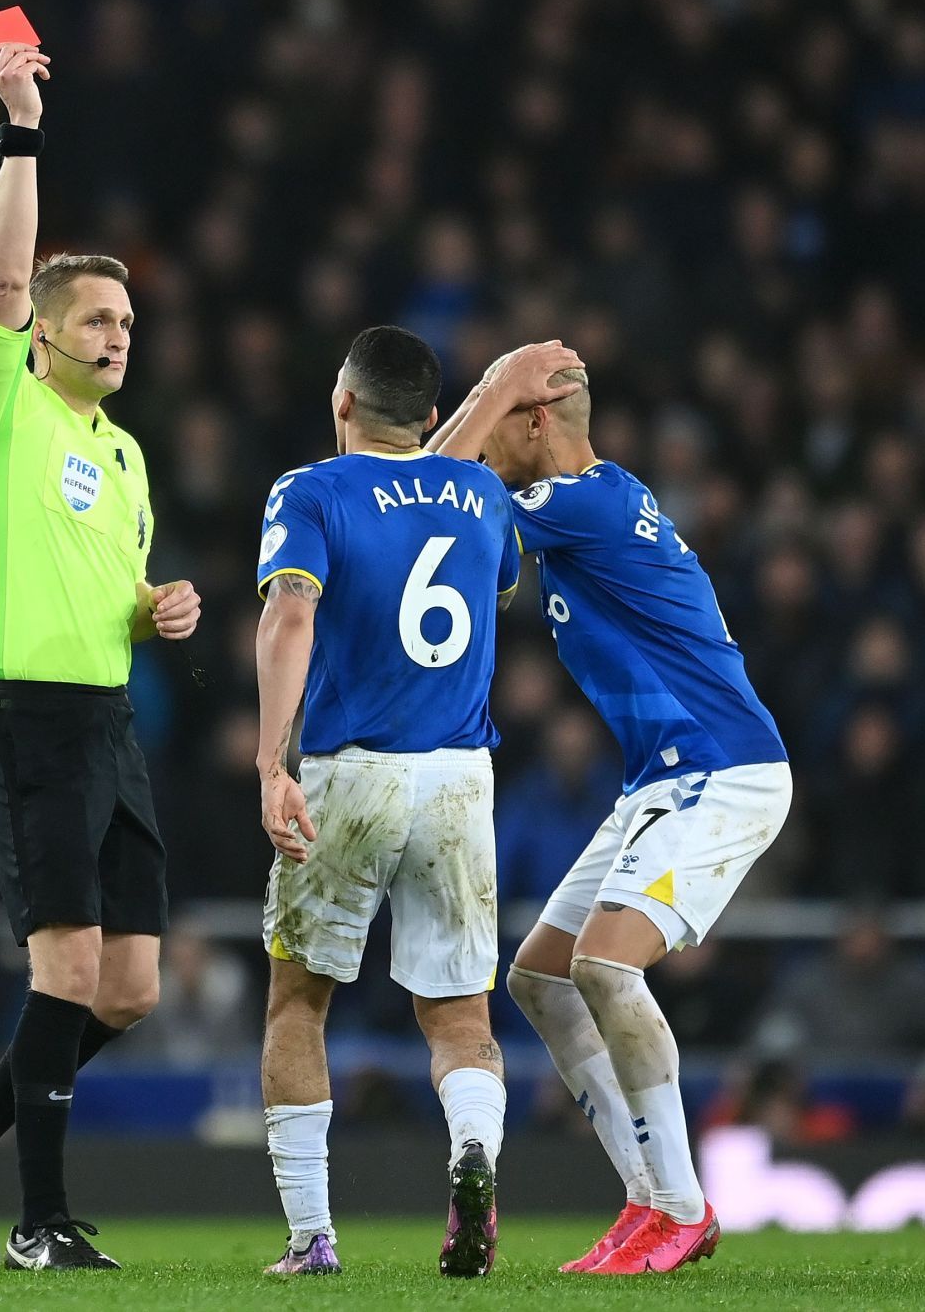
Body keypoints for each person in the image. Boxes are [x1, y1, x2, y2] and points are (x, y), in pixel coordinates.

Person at [0, 40, 201, 1273]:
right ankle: (40, 1222)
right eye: (98, 317)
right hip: (23, 720)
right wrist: (21, 131)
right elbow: (4, 268)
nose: (120, 334)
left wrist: (152, 609)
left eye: (129, 319)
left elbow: (106, 590)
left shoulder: (124, 455)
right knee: (66, 968)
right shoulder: (0, 409)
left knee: (127, 989)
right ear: (40, 336)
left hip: (109, 725)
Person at [433, 345, 792, 1276]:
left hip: (724, 767)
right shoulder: (590, 501)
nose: (493, 434)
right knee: (542, 977)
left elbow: (430, 490)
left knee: (604, 965)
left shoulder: (578, 505)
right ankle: (648, 1193)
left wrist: (493, 387)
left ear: (537, 420)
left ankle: (680, 1204)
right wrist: (494, 392)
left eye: (508, 415)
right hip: (662, 777)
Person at [252, 327, 583, 1278]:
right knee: (458, 1016)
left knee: (298, 1004)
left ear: (342, 402)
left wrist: (274, 762)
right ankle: (473, 1151)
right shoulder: (485, 497)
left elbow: (291, 614)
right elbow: (473, 556)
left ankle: (313, 1237)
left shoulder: (309, 490)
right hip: (459, 779)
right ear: (432, 417)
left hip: (350, 773)